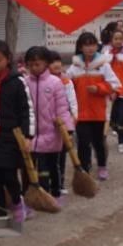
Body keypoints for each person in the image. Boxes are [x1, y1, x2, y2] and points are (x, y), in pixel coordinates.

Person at [0, 40, 35, 222]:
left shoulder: (17, 81)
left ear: (8, 59)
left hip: (11, 135)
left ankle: (18, 203)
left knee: (9, 174)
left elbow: (26, 110)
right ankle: (0, 212)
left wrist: (28, 136)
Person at [23, 46, 74, 204]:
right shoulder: (24, 83)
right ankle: (43, 194)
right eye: (30, 64)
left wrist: (68, 129)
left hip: (52, 132)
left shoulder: (55, 83)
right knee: (39, 168)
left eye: (37, 64)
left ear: (46, 63)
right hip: (32, 135)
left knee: (53, 166)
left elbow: (62, 108)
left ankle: (56, 192)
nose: (34, 67)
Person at [68, 32, 119, 180]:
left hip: (98, 112)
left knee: (98, 141)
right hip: (80, 112)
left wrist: (99, 88)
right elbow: (66, 86)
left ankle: (102, 166)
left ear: (97, 46)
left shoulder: (104, 65)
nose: (90, 48)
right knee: (83, 142)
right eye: (86, 45)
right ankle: (85, 168)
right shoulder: (74, 67)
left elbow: (114, 84)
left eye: (93, 44)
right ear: (80, 47)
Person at [48, 50, 78, 195]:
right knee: (49, 155)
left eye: (58, 61)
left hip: (64, 123)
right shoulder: (43, 82)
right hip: (48, 124)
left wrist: (73, 119)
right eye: (52, 62)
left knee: (61, 154)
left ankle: (59, 183)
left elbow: (72, 102)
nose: (57, 64)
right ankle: (48, 182)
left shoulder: (66, 81)